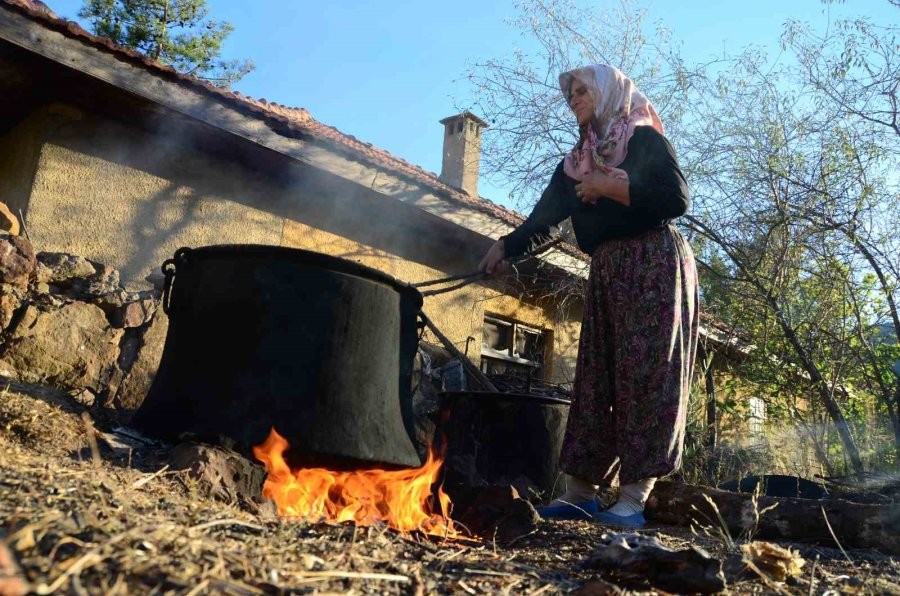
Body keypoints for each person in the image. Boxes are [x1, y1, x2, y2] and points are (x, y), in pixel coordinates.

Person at [479, 64, 699, 528]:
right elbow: (544, 220)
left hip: (654, 265)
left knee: (647, 376)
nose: (574, 98)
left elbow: (676, 199)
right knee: (595, 377)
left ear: (606, 94)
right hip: (607, 270)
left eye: (582, 90)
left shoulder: (642, 140)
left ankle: (634, 498)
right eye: (571, 93)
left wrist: (612, 188)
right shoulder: (578, 160)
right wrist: (506, 247)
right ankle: (580, 493)